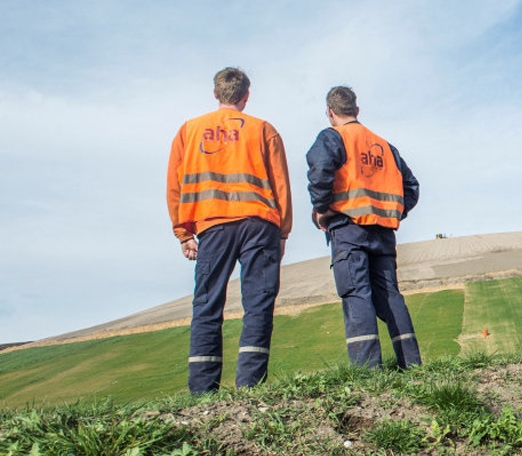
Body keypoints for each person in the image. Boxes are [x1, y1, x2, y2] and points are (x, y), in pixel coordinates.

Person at [166, 67, 293, 394]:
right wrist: (283, 232)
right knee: (258, 302)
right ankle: (250, 387)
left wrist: (184, 232)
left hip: (212, 226)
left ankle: (202, 391)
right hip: (259, 224)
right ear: (246, 96)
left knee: (207, 304)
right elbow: (281, 184)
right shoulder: (263, 130)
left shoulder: (189, 130)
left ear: (215, 93)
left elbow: (174, 185)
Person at [305, 85, 421, 369]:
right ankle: (411, 364)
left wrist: (322, 209)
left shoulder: (332, 137)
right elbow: (411, 187)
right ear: (357, 110)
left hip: (348, 229)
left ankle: (368, 372)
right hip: (383, 232)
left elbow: (319, 172)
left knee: (356, 293)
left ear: (330, 112)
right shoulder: (385, 146)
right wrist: (391, 213)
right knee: (390, 295)